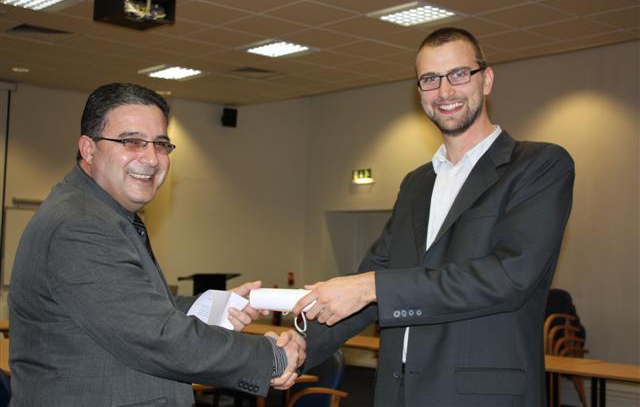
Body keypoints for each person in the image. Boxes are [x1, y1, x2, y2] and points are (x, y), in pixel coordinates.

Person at [291, 27, 575, 406]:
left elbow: (509, 277)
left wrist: (370, 287)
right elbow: (369, 286)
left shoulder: (538, 166)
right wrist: (298, 343)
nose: (445, 91)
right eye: (430, 79)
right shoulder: (416, 183)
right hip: (398, 393)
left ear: (486, 80)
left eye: (459, 74)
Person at [8, 83, 305, 406]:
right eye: (131, 141)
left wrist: (218, 306)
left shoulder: (101, 213)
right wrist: (271, 357)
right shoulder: (81, 225)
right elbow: (155, 337)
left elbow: (136, 307)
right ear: (88, 149)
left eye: (161, 144)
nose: (151, 158)